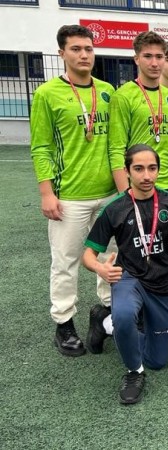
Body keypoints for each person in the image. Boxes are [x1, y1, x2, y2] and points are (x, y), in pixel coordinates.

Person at [82, 144, 168, 404]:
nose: (146, 176)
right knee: (124, 317)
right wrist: (101, 268)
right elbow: (87, 255)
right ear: (127, 171)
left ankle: (104, 323)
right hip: (128, 278)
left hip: (163, 283)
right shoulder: (115, 208)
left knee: (157, 361)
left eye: (152, 168)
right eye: (139, 169)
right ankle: (134, 371)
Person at [30, 24, 117, 357]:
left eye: (88, 49)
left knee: (111, 256)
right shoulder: (47, 94)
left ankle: (108, 311)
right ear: (62, 53)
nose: (84, 55)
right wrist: (46, 193)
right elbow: (41, 147)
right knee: (66, 261)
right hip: (69, 196)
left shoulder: (107, 90)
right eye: (76, 49)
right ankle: (64, 323)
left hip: (109, 194)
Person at [109, 31, 168, 193]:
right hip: (138, 185)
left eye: (159, 57)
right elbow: (116, 149)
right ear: (136, 59)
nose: (154, 63)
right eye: (147, 56)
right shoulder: (123, 96)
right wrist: (125, 194)